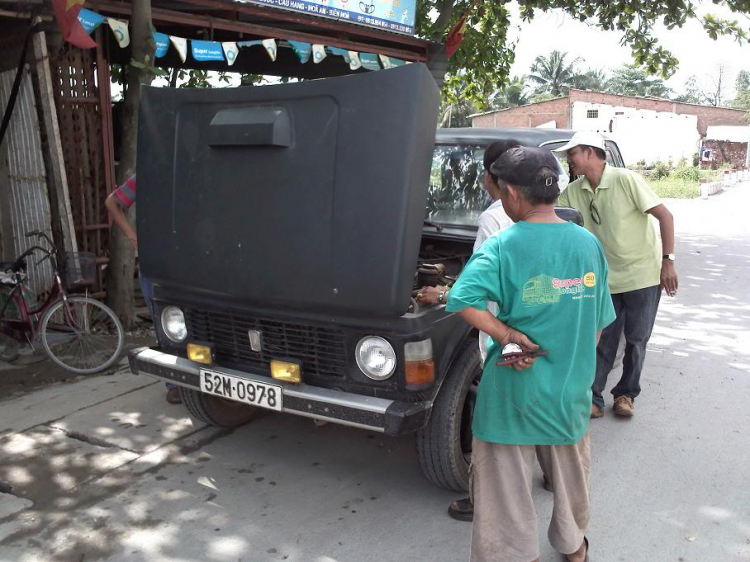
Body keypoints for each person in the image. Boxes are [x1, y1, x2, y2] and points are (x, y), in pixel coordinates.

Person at [446, 145, 615, 562]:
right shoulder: (588, 245)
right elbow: (597, 327)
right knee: (571, 475)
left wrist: (506, 334)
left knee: (506, 485)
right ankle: (574, 547)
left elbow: (461, 299)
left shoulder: (503, 245)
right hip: (570, 388)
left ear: (512, 193)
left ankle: (514, 554)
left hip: (512, 392)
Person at [555, 131, 678, 418]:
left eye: (572, 154)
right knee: (601, 339)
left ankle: (625, 394)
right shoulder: (574, 191)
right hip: (603, 280)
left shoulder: (626, 179)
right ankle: (593, 398)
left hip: (642, 275)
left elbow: (665, 216)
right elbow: (549, 215)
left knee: (636, 339)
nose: (569, 160)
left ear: (588, 152)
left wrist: (668, 261)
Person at [106, 175, 182, 405]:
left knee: (181, 323)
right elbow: (112, 202)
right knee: (163, 324)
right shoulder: (145, 176)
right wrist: (131, 235)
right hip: (154, 261)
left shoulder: (187, 173)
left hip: (184, 260)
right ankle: (174, 384)